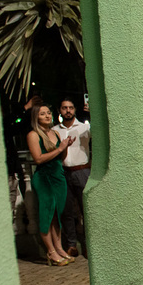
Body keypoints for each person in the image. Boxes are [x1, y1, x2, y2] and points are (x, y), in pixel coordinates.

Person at [26, 104, 74, 266]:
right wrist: (59, 148)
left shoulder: (54, 133)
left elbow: (60, 157)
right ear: (36, 118)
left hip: (58, 175)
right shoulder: (33, 135)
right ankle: (51, 251)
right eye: (42, 114)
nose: (47, 116)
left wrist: (65, 146)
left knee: (57, 215)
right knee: (47, 214)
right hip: (44, 177)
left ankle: (59, 248)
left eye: (48, 113)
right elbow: (38, 159)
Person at [55, 98, 91, 257]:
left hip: (82, 171)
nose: (68, 110)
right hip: (63, 173)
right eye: (64, 108)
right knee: (66, 211)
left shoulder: (84, 128)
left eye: (70, 107)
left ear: (75, 109)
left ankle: (88, 245)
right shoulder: (55, 131)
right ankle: (71, 245)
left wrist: (92, 113)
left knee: (87, 210)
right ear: (60, 110)